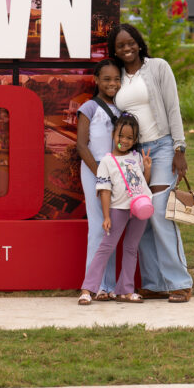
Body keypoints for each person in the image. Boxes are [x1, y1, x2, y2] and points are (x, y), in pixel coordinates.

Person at [108, 23, 194, 303]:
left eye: (130, 42)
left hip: (162, 147)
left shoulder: (158, 67)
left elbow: (172, 106)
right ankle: (155, 282)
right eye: (121, 46)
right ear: (116, 51)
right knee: (140, 216)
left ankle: (180, 282)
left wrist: (179, 148)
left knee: (158, 211)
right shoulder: (119, 76)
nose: (127, 48)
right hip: (135, 154)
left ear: (139, 42)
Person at [78, 113, 152, 305]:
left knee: (131, 248)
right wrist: (106, 216)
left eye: (129, 138)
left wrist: (147, 168)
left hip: (140, 209)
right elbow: (104, 190)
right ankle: (88, 289)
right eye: (121, 136)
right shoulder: (107, 161)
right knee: (106, 248)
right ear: (113, 135)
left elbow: (142, 185)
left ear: (135, 140)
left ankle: (125, 290)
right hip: (118, 209)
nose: (124, 141)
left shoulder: (136, 157)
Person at [75, 58, 123, 300]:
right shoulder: (89, 108)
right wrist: (101, 174)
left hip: (118, 176)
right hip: (94, 173)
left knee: (111, 228)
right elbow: (82, 147)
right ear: (96, 80)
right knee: (97, 228)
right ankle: (94, 285)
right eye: (106, 79)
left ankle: (109, 286)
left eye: (116, 79)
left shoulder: (124, 109)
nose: (112, 83)